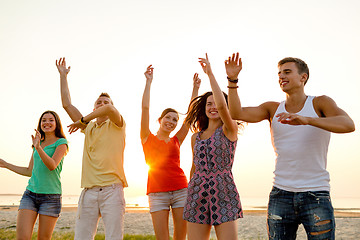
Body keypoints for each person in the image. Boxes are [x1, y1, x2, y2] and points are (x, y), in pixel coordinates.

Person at [225, 52, 355, 240]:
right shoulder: (272, 108)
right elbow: (236, 112)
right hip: (281, 194)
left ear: (303, 77)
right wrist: (233, 80)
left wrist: (307, 120)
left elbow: (348, 125)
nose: (281, 77)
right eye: (279, 74)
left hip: (316, 194)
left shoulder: (320, 103)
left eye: (287, 72)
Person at [56, 57, 127, 240]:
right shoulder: (89, 128)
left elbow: (110, 110)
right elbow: (67, 105)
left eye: (106, 102)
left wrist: (82, 120)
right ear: (93, 108)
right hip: (88, 192)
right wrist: (63, 76)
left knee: (114, 237)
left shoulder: (118, 125)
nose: (102, 105)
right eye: (98, 103)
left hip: (112, 190)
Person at [183, 54, 243, 240]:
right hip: (197, 192)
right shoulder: (196, 138)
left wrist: (210, 74)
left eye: (216, 103)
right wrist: (191, 190)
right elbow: (194, 167)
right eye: (209, 104)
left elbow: (225, 109)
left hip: (223, 190)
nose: (213, 107)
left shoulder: (229, 129)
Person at [140, 65, 201, 240]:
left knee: (180, 237)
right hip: (157, 193)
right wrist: (148, 82)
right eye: (168, 117)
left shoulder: (177, 140)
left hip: (181, 190)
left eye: (175, 120)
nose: (172, 122)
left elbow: (190, 117)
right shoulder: (146, 137)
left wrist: (195, 89)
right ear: (160, 120)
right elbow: (145, 108)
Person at [0, 111, 68, 240]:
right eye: (44, 120)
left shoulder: (61, 142)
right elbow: (29, 171)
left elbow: (52, 165)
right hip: (30, 195)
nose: (47, 123)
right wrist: (6, 164)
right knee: (22, 237)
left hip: (51, 197)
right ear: (40, 123)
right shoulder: (38, 143)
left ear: (56, 123)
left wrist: (38, 148)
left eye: (51, 120)